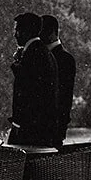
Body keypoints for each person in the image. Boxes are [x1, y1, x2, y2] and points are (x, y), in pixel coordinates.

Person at [8, 11, 59, 147]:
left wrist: (18, 125)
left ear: (26, 31)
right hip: (41, 126)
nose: (15, 34)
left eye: (17, 29)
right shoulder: (45, 52)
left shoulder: (33, 54)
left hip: (30, 128)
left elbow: (28, 90)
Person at [40, 14, 76, 147]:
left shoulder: (65, 59)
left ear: (52, 33)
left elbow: (64, 97)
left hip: (53, 127)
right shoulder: (61, 58)